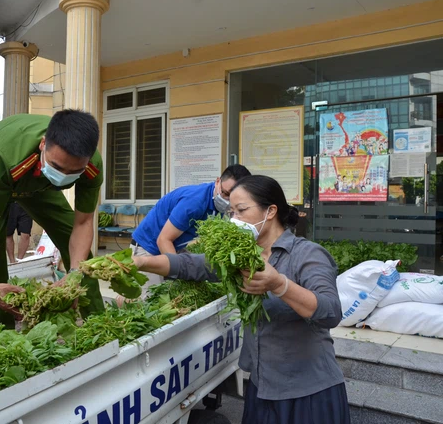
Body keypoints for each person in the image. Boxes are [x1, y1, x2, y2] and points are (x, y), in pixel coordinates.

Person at [133, 175, 349, 424]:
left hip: (307, 393)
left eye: (241, 210)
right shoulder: (242, 256)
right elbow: (190, 264)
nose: (234, 219)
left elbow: (331, 311)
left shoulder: (307, 254)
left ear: (270, 211)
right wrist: (140, 262)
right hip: (261, 386)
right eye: (232, 212)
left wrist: (279, 285)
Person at [0, 110, 105, 328]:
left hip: (41, 184)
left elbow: (83, 222)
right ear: (43, 145)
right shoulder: (2, 158)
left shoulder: (92, 165)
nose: (64, 176)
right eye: (58, 167)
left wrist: (75, 274)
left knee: (79, 253)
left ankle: (97, 322)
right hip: (5, 172)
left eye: (74, 172)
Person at [129, 165, 250, 298]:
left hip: (175, 245)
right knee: (150, 299)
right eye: (225, 193)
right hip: (148, 247)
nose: (227, 201)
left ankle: (125, 299)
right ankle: (124, 301)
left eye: (233, 198)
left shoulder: (222, 207)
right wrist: (179, 274)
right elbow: (163, 239)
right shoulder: (195, 202)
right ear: (217, 182)